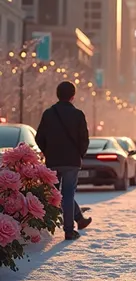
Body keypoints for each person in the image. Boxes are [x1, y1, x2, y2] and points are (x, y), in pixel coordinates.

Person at [36, 81, 92, 241]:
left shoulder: (48, 114)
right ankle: (69, 230)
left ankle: (49, 227)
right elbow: (84, 140)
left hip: (53, 160)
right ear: (73, 96)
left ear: (57, 94)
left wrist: (49, 152)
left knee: (54, 194)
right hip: (72, 162)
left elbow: (39, 137)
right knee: (67, 194)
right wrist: (79, 155)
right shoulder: (78, 115)